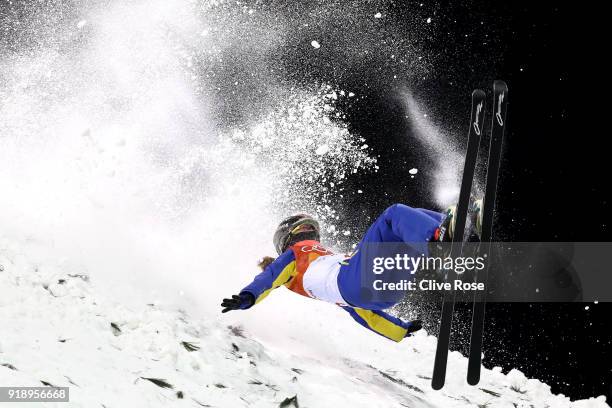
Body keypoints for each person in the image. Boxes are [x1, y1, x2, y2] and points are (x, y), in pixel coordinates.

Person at [221, 202, 481, 342]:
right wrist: (248, 296)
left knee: (407, 226)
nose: (310, 233)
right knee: (394, 214)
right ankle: (443, 237)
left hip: (378, 292)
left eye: (311, 228)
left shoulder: (325, 267)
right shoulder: (295, 256)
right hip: (358, 281)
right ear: (288, 239)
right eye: (302, 230)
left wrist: (399, 329)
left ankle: (459, 231)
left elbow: (361, 312)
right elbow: (268, 278)